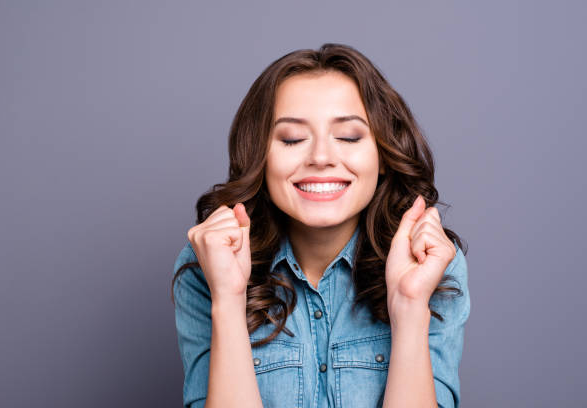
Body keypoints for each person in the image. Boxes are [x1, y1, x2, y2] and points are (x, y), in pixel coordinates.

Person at [171, 43, 470, 408]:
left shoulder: (432, 263)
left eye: (348, 136)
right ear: (260, 157)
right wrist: (228, 299)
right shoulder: (208, 264)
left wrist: (409, 305)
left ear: (383, 157)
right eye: (293, 139)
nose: (321, 158)